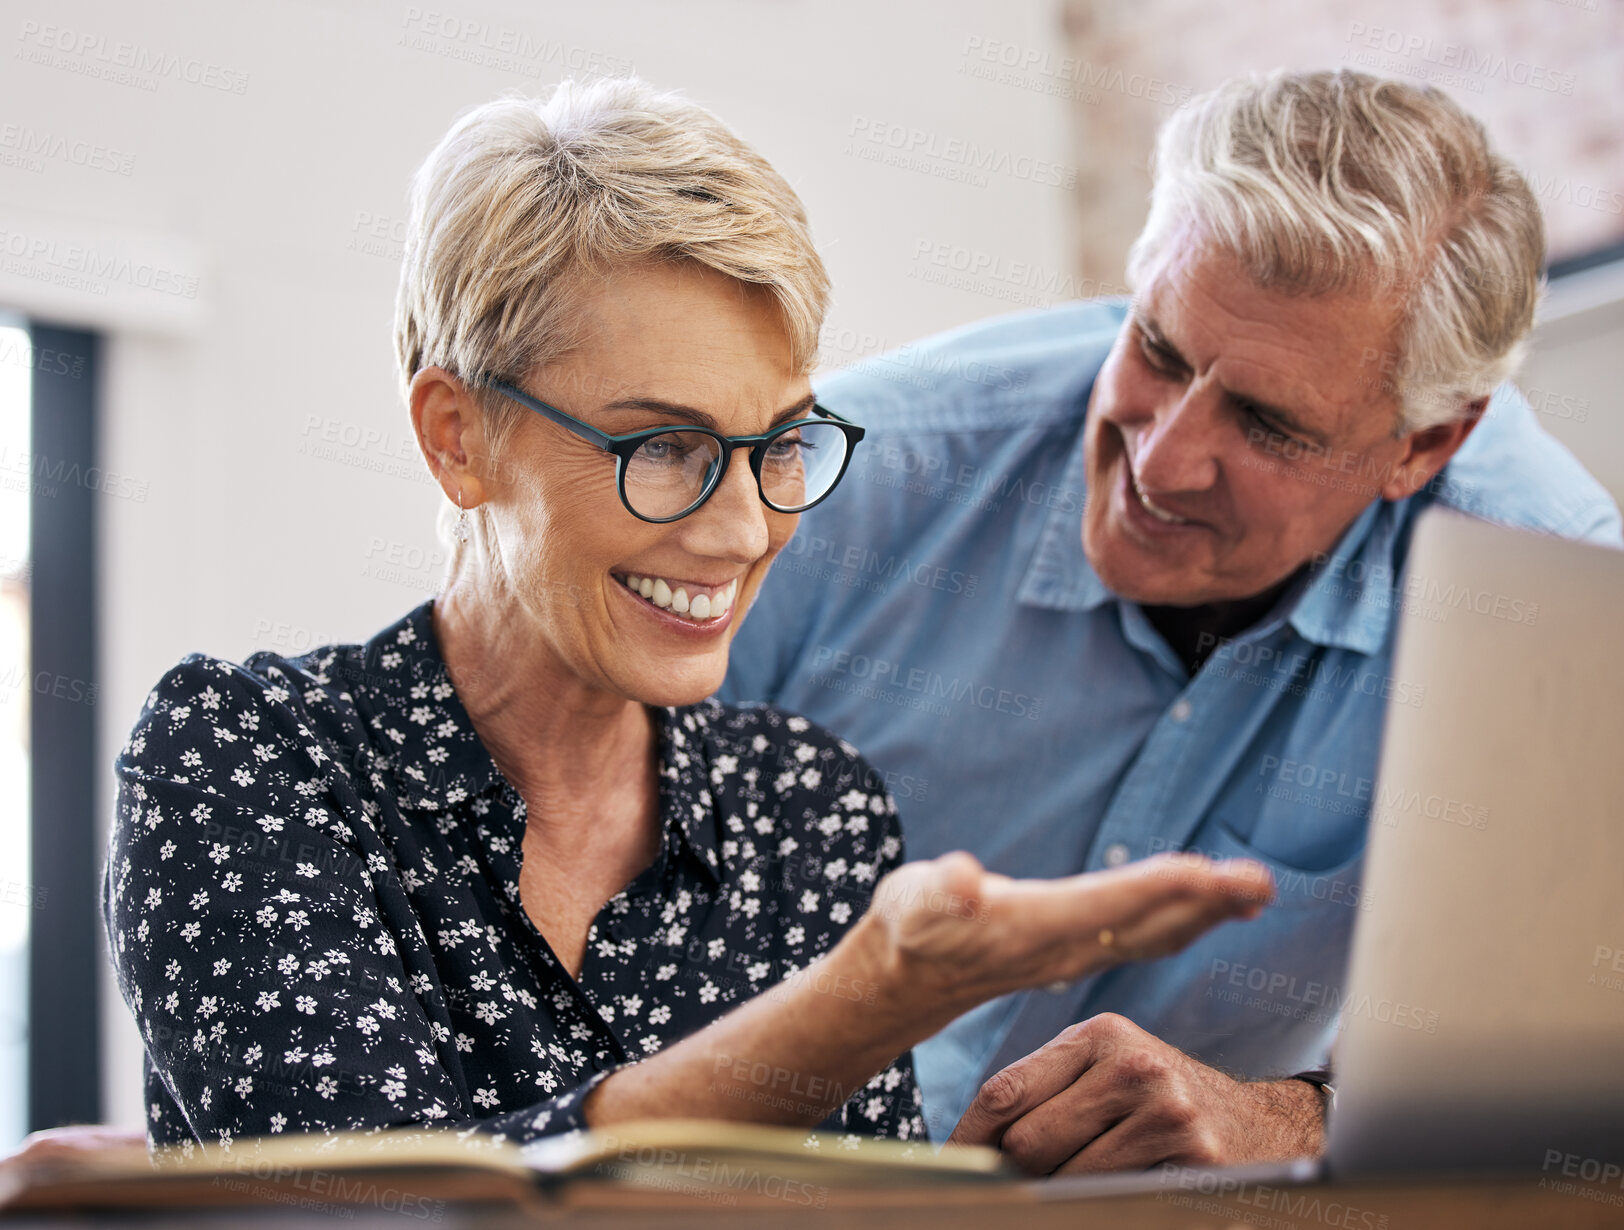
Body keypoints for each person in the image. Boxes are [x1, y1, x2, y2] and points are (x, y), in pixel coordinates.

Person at [100, 78, 1272, 1156]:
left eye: (777, 446)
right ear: (456, 436)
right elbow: (382, 1206)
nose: (741, 530)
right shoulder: (249, 752)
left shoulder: (809, 807)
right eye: (665, 447)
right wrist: (862, 1002)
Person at [722, 67, 1623, 1170]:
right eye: (1156, 347)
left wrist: (1290, 1119)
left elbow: (1575, 1078)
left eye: (1265, 423)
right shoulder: (841, 479)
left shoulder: (1541, 593)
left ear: (1423, 446)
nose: (1162, 457)